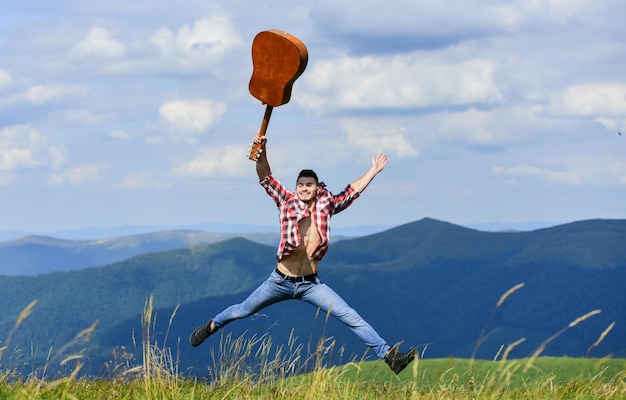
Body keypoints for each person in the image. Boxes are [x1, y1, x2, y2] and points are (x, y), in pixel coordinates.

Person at [189, 131, 415, 374]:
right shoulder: (286, 201)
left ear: (317, 188)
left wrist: (373, 171)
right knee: (244, 309)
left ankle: (390, 356)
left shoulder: (327, 205)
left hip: (310, 285)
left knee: (350, 315)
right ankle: (213, 325)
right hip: (279, 281)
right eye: (301, 185)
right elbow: (265, 176)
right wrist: (261, 149)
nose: (304, 188)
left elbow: (352, 191)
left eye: (309, 185)